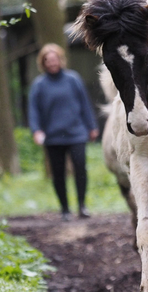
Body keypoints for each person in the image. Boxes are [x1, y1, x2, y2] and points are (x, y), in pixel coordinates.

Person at [28, 43, 99, 221]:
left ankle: (82, 206)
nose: (52, 63)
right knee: (58, 174)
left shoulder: (73, 79)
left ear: (60, 60)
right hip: (53, 137)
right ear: (43, 63)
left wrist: (92, 126)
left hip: (76, 133)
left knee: (80, 169)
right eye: (48, 60)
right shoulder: (39, 85)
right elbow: (33, 110)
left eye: (54, 59)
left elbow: (85, 104)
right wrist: (36, 130)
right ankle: (65, 209)